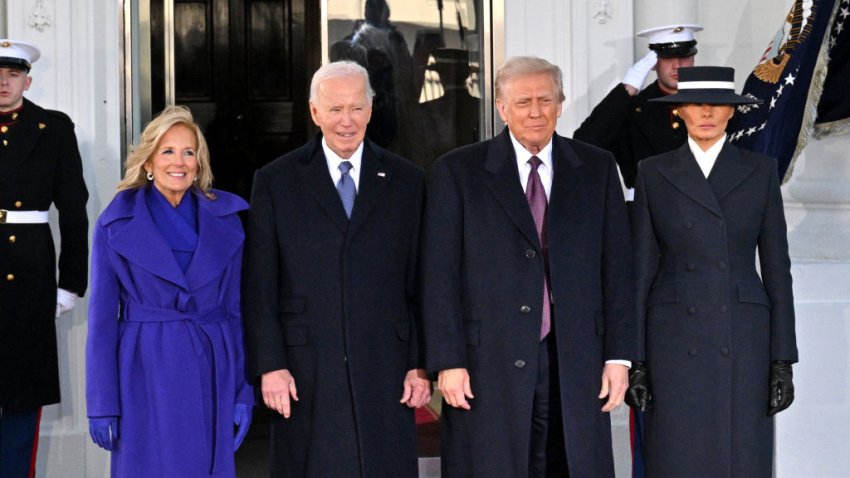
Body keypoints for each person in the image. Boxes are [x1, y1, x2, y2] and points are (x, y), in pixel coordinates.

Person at [422, 56, 634, 477]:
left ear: (560, 103)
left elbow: (619, 270)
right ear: (501, 108)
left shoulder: (597, 168)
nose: (535, 112)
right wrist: (448, 360)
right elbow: (438, 275)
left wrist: (619, 357)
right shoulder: (458, 171)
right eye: (523, 102)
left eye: (545, 100)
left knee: (571, 463)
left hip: (576, 357)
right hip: (487, 362)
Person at [243, 61, 430, 478]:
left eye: (356, 108)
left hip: (387, 363)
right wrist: (269, 365)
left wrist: (419, 363)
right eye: (335, 110)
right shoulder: (276, 181)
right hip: (304, 365)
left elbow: (421, 281)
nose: (347, 121)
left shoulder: (407, 180)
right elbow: (259, 284)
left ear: (371, 108)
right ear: (314, 113)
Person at [626, 66, 797, 478]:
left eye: (717, 104)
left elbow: (777, 270)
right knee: (676, 456)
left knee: (741, 458)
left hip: (743, 338)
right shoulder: (653, 171)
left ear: (731, 112)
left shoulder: (760, 171)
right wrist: (638, 361)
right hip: (672, 338)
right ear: (679, 110)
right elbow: (641, 271)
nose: (707, 112)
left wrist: (782, 360)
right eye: (697, 103)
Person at [85, 105, 253, 477]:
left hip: (213, 364)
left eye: (189, 152)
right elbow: (101, 321)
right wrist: (101, 403)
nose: (179, 162)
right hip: (144, 370)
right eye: (168, 151)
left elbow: (236, 310)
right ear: (148, 161)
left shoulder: (226, 220)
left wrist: (242, 390)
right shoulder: (116, 223)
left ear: (199, 162)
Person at [0, 39, 88, 477]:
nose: (3, 82)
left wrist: (70, 284)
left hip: (29, 273)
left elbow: (74, 212)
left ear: (27, 80)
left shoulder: (52, 128)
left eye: (13, 74)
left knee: (21, 394)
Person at [574, 24, 702, 197]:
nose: (677, 65)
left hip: (703, 204)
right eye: (667, 57)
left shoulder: (713, 104)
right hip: (647, 209)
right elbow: (584, 143)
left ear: (693, 59)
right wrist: (628, 89)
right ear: (654, 62)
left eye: (684, 56)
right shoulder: (632, 108)